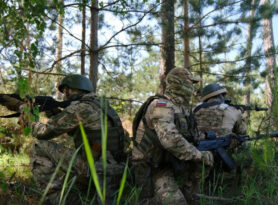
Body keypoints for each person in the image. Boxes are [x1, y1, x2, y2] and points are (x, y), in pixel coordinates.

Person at [25, 74, 126, 205]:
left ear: (69, 90)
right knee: (68, 183)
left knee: (38, 147)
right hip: (113, 165)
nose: (63, 96)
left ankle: (55, 199)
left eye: (64, 92)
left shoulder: (81, 108)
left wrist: (28, 119)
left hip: (93, 166)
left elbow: (44, 132)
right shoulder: (102, 105)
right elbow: (81, 131)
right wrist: (56, 114)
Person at [132, 67, 214, 205]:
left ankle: (190, 194)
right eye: (190, 82)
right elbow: (170, 140)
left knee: (195, 194)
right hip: (151, 167)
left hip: (169, 162)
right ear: (179, 83)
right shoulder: (161, 105)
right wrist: (199, 155)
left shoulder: (182, 108)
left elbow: (192, 136)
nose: (193, 87)